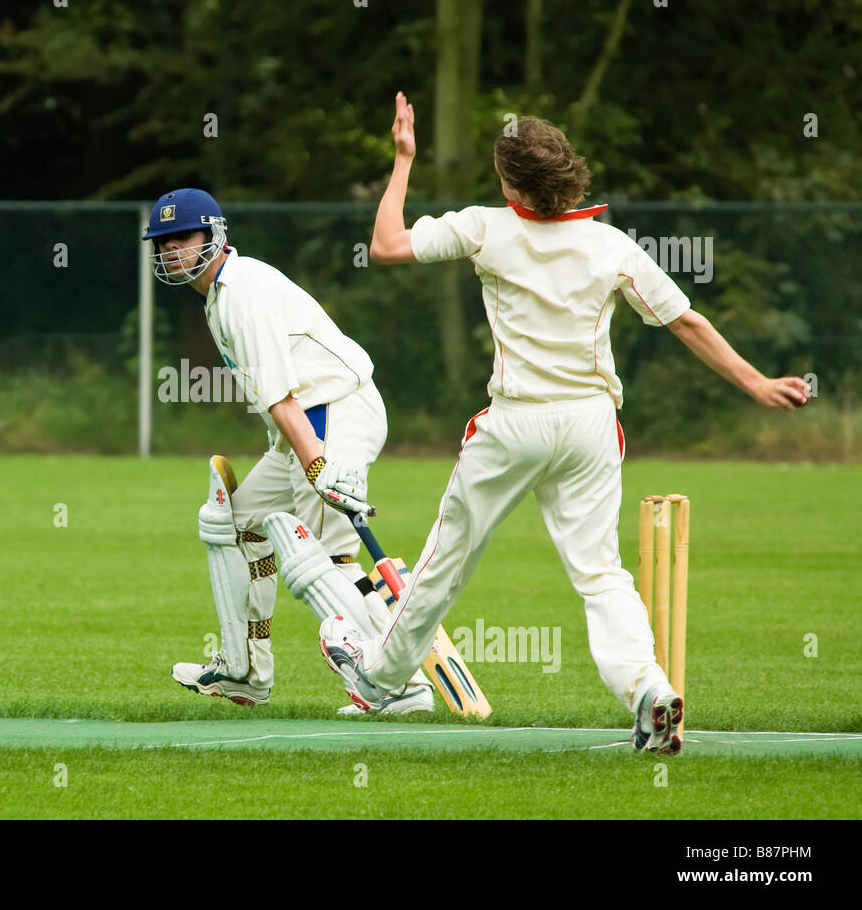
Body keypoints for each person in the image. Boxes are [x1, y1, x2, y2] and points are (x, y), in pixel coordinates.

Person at [281, 94, 809, 751]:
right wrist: (757, 382)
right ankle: (647, 689)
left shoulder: (486, 228)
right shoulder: (609, 244)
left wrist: (404, 159)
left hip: (516, 423)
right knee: (601, 572)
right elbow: (686, 322)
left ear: (509, 184)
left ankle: (383, 676)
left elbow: (386, 244)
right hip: (590, 427)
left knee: (447, 561)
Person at [144, 187, 434, 714]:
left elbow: (281, 395)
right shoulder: (219, 295)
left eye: (181, 237)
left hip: (333, 412)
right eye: (162, 242)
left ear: (213, 236)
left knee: (327, 557)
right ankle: (245, 670)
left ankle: (400, 684)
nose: (170, 249)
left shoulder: (241, 292)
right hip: (303, 422)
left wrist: (317, 463)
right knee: (235, 524)